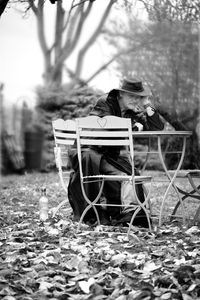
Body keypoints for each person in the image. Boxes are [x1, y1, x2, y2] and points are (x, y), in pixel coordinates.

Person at [68, 78, 164, 227]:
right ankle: (127, 213)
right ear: (120, 95)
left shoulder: (131, 110)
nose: (135, 100)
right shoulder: (105, 102)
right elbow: (109, 125)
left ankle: (129, 214)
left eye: (138, 96)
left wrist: (146, 105)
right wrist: (134, 126)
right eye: (131, 96)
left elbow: (157, 128)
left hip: (107, 156)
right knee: (127, 174)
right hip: (88, 153)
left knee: (130, 173)